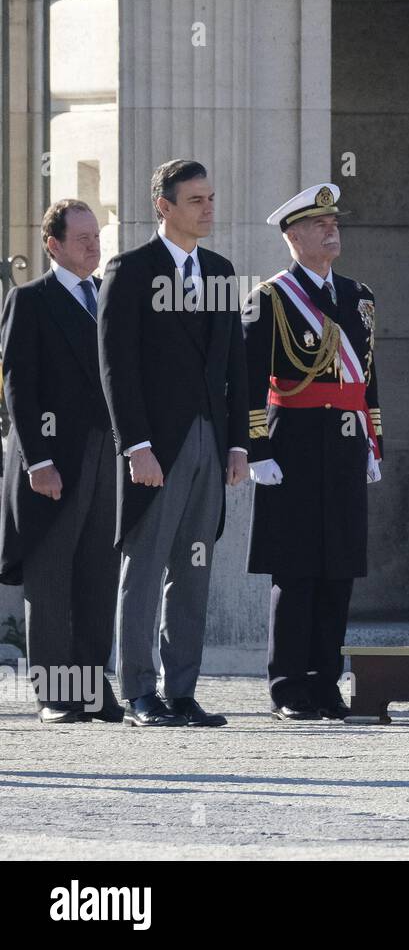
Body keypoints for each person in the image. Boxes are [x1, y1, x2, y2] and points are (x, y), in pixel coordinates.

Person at [98, 159, 249, 727]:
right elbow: (117, 367)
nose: (208, 209)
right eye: (195, 200)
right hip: (155, 446)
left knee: (195, 565)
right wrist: (134, 445)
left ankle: (181, 690)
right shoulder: (129, 270)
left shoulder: (220, 270)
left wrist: (239, 444)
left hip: (212, 442)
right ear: (163, 206)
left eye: (211, 198)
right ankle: (138, 691)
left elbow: (234, 365)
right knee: (144, 567)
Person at [242, 183, 383, 720]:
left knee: (338, 570)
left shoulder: (359, 296)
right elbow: (251, 380)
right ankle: (288, 687)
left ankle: (327, 683)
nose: (332, 230)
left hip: (346, 443)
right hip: (292, 444)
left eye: (335, 223)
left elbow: (370, 380)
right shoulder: (270, 298)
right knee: (296, 569)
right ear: (293, 236)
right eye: (320, 224)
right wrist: (257, 447)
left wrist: (374, 441)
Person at [0, 199, 122, 723]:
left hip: (108, 454)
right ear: (52, 244)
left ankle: (93, 687)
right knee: (50, 580)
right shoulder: (29, 300)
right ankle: (55, 692)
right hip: (51, 460)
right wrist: (37, 460)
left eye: (97, 237)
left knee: (98, 575)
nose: (93, 247)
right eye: (82, 239)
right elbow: (17, 390)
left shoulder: (109, 298)